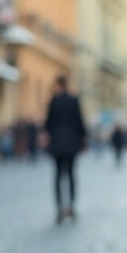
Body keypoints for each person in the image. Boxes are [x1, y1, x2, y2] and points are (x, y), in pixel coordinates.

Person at [42, 75, 88, 223]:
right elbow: (80, 122)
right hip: (72, 143)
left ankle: (59, 207)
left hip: (56, 144)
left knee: (57, 175)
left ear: (57, 84)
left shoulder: (53, 101)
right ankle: (72, 206)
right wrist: (82, 139)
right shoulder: (73, 100)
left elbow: (47, 124)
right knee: (71, 174)